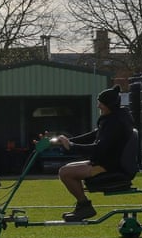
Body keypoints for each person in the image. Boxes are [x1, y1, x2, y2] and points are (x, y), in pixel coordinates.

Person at [47, 85, 131, 222]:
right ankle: (82, 206)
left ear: (109, 105)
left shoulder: (115, 124)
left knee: (65, 173)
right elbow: (93, 135)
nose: (98, 106)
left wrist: (72, 146)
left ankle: (85, 206)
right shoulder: (113, 119)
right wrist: (67, 141)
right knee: (66, 169)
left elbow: (98, 148)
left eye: (101, 103)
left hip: (108, 166)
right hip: (105, 161)